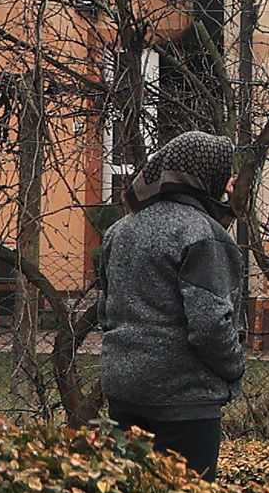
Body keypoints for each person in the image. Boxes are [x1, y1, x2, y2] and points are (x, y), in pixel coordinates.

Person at [93, 129, 246, 475]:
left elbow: (106, 311)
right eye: (223, 175)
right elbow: (210, 326)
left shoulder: (121, 230)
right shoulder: (203, 234)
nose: (227, 185)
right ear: (206, 175)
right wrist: (235, 366)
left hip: (124, 389)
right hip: (184, 397)